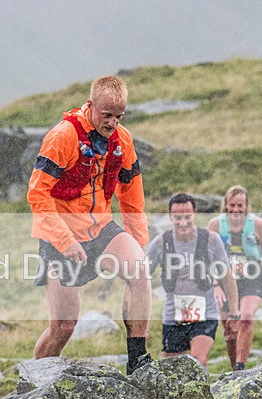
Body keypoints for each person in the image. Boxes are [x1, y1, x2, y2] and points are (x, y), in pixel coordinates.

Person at [27, 75, 151, 374]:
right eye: (107, 115)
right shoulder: (63, 137)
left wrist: (138, 242)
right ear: (91, 105)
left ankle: (137, 359)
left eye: (119, 116)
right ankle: (33, 380)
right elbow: (37, 194)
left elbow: (131, 194)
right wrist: (65, 241)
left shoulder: (123, 140)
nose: (112, 123)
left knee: (139, 270)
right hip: (61, 235)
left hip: (100, 228)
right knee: (64, 326)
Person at [146, 194, 239, 366]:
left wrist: (234, 314)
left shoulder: (211, 240)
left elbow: (228, 278)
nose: (183, 223)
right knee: (173, 369)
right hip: (173, 315)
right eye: (177, 218)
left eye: (187, 217)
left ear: (195, 213)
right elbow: (142, 280)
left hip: (205, 313)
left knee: (198, 361)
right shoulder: (160, 243)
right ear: (170, 216)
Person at [208, 185, 262, 370]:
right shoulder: (215, 225)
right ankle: (235, 370)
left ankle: (241, 365)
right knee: (230, 330)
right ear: (226, 205)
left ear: (246, 206)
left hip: (251, 278)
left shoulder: (258, 225)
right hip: (225, 281)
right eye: (232, 205)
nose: (236, 209)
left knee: (246, 318)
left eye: (240, 205)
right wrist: (214, 285)